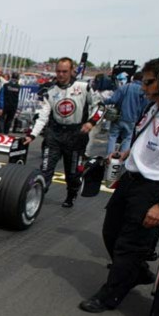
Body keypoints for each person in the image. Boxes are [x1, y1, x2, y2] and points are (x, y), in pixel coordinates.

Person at [79, 55, 159, 313]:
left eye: (147, 83)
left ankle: (110, 295)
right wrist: (125, 155)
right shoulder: (153, 106)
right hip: (130, 181)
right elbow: (143, 137)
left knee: (129, 246)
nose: (142, 88)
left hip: (155, 189)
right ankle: (136, 271)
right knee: (110, 233)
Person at [23, 57, 103, 208]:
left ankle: (71, 194)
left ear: (72, 71)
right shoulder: (49, 90)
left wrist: (91, 122)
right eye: (58, 71)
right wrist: (32, 135)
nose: (61, 74)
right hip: (54, 133)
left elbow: (100, 106)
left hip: (76, 135)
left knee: (72, 173)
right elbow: (42, 115)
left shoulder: (84, 87)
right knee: (45, 168)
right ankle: (35, 197)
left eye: (64, 71)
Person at [103, 71, 147, 154]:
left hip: (119, 118)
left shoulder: (124, 87)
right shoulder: (143, 91)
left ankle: (109, 157)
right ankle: (121, 159)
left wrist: (103, 101)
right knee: (127, 139)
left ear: (133, 78)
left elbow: (113, 100)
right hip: (132, 120)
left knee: (112, 136)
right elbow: (145, 107)